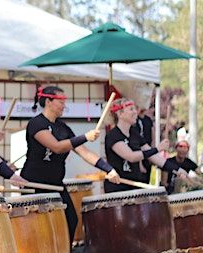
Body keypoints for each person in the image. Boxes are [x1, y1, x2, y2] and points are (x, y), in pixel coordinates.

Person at [21, 86, 120, 243]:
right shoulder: (36, 123)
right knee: (39, 228)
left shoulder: (63, 128)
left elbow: (84, 152)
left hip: (55, 184)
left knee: (70, 221)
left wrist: (109, 169)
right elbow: (57, 147)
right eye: (61, 101)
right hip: (34, 183)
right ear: (48, 101)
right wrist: (85, 136)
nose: (64, 105)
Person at [104, 98, 178, 193]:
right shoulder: (113, 136)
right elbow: (132, 156)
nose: (135, 112)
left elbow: (154, 157)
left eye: (135, 109)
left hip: (135, 185)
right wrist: (157, 148)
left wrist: (177, 170)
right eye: (131, 109)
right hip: (118, 188)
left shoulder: (134, 134)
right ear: (120, 114)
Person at [133, 108, 154, 183]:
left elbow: (152, 134)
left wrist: (153, 149)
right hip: (138, 150)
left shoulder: (148, 120)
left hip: (147, 149)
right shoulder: (135, 121)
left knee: (147, 175)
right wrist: (140, 164)